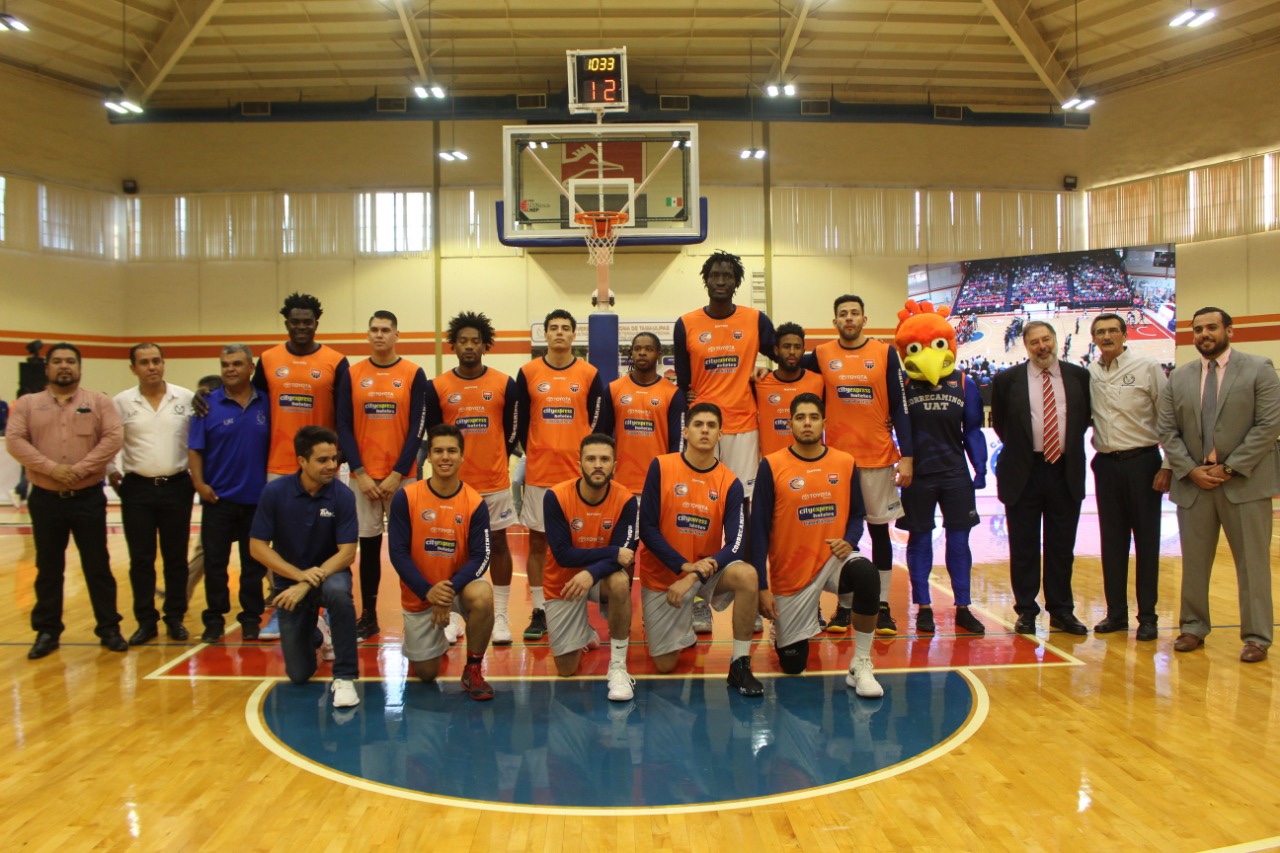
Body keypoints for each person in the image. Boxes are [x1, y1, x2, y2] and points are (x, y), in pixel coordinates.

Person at [1158, 307, 1279, 663]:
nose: (1204, 334)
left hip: (1245, 484)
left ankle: (1256, 636)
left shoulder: (1259, 368)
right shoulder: (1179, 376)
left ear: (1229, 330)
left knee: (1253, 564)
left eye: (1211, 327)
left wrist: (1229, 468)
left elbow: (1268, 426)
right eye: (1198, 329)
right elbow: (1168, 430)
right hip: (1194, 485)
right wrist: (1190, 470)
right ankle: (1193, 627)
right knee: (1194, 563)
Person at [750, 394, 884, 697]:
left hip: (833, 560)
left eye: (813, 417)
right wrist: (761, 587)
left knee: (867, 574)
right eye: (800, 417)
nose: (807, 423)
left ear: (824, 422)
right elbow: (758, 531)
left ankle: (861, 664)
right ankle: (783, 629)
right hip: (792, 573)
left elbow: (857, 515)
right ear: (790, 424)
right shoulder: (772, 465)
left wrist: (850, 540)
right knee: (793, 665)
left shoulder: (845, 462)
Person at [801, 295, 913, 636]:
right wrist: (758, 371)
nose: (848, 318)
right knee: (837, 537)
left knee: (879, 533)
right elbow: (788, 369)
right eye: (842, 314)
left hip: (877, 457)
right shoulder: (821, 355)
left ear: (864, 319)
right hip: (836, 462)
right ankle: (845, 607)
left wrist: (907, 455)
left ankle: (882, 606)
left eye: (854, 313)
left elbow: (900, 406)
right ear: (835, 321)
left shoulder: (885, 353)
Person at [7, 343, 127, 658]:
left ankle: (109, 629)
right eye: (58, 361)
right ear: (46, 368)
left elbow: (113, 438)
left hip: (87, 497)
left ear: (79, 367)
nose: (64, 366)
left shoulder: (98, 402)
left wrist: (79, 470)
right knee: (48, 568)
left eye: (70, 361)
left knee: (98, 566)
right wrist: (52, 469)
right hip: (45, 499)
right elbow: (15, 441)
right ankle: (47, 632)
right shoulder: (28, 404)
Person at [638, 402, 763, 696]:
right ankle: (677, 625)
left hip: (703, 573)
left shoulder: (730, 482)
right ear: (685, 432)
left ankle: (740, 664)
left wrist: (694, 575)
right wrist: (683, 566)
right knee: (665, 665)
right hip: (665, 575)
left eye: (711, 425)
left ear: (720, 434)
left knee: (747, 575)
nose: (704, 430)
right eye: (698, 424)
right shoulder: (661, 467)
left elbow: (735, 545)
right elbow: (647, 529)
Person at [249, 292, 350, 641]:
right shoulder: (268, 360)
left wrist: (339, 457)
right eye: (295, 321)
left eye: (308, 321)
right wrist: (207, 394)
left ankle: (328, 609)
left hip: (324, 465)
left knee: (329, 540)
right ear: (287, 323)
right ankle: (283, 607)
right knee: (279, 542)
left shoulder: (335, 361)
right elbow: (249, 401)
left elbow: (345, 413)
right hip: (280, 464)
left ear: (316, 323)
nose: (302, 327)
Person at [514, 308, 611, 641]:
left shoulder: (588, 373)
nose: (559, 332)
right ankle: (540, 609)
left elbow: (598, 420)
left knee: (578, 543)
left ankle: (576, 609)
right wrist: (532, 449)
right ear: (544, 334)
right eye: (553, 327)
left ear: (574, 334)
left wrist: (585, 456)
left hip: (576, 476)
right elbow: (521, 420)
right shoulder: (528, 372)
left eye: (565, 328)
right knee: (538, 544)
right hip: (540, 473)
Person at [891, 301, 988, 635]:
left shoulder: (964, 383)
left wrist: (980, 466)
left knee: (959, 542)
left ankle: (963, 606)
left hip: (954, 473)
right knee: (919, 540)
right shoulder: (904, 384)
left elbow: (972, 430)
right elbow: (893, 427)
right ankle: (924, 607)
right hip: (918, 475)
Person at [990, 320, 1092, 635]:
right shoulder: (1007, 380)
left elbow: (1082, 420)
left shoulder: (1079, 377)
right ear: (1026, 346)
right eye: (1034, 342)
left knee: (1062, 546)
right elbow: (1001, 425)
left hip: (1064, 470)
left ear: (1055, 339)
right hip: (1024, 470)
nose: (1042, 346)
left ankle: (1061, 611)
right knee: (1023, 546)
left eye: (1046, 339)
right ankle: (1026, 611)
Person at [249, 426, 360, 707]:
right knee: (299, 674)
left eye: (334, 458)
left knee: (338, 593)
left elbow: (347, 554)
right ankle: (317, 633)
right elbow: (257, 547)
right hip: (291, 581)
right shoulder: (275, 493)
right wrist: (299, 577)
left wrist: (306, 582)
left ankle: (345, 676)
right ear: (302, 461)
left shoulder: (343, 496)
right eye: (322, 460)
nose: (332, 465)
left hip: (330, 575)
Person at [425, 311, 519, 645]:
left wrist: (497, 457)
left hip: (493, 482)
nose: (469, 346)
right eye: (462, 341)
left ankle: (502, 615)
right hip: (453, 487)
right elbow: (434, 434)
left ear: (485, 345)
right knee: (451, 549)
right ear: (453, 345)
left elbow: (513, 430)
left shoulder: (504, 383)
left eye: (475, 341)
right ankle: (454, 615)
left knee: (499, 545)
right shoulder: (437, 386)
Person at [336, 310, 428, 643]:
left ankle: (416, 615)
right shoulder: (353, 373)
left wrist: (397, 473)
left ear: (396, 335)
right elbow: (343, 425)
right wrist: (360, 472)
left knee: (409, 549)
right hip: (362, 478)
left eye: (385, 330)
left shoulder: (413, 373)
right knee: (368, 548)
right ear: (367, 334)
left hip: (401, 478)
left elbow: (418, 427)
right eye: (374, 329)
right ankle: (369, 616)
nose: (379, 335)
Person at [388, 424, 495, 699]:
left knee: (483, 595)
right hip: (420, 592)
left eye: (451, 451)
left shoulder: (474, 502)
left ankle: (473, 668)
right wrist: (428, 591)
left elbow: (481, 557)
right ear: (429, 456)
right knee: (426, 674)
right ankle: (437, 634)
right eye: (438, 451)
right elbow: (397, 553)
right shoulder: (406, 497)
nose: (445, 457)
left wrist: (447, 593)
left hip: (456, 588)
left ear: (462, 456)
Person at [1087, 313, 1171, 641]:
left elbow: (1169, 417)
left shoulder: (1147, 367)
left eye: (1112, 331)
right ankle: (1116, 614)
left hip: (1143, 463)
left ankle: (1148, 617)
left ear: (1125, 334)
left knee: (1147, 542)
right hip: (1106, 465)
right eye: (1100, 332)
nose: (1106, 336)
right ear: (1094, 338)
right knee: (1112, 543)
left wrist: (1168, 465)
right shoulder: (1090, 372)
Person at [108, 343, 196, 645]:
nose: (152, 367)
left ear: (163, 363)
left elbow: (198, 441)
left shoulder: (185, 398)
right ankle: (146, 621)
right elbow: (108, 440)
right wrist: (111, 471)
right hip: (137, 488)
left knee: (176, 558)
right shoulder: (122, 402)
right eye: (144, 362)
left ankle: (175, 617)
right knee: (141, 559)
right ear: (133, 368)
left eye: (156, 361)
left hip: (177, 486)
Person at [543, 434, 638, 701]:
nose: (598, 465)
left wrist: (591, 573)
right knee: (566, 669)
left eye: (604, 459)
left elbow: (626, 557)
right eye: (591, 459)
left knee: (620, 581)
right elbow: (562, 555)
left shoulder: (626, 500)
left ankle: (618, 667)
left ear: (614, 465)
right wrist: (611, 552)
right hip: (563, 581)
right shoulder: (555, 496)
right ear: (579, 464)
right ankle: (584, 631)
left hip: (600, 578)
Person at [673, 250, 776, 497]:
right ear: (706, 280)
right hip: (702, 423)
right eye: (715, 275)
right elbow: (683, 381)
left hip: (743, 425)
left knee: (743, 495)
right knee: (701, 494)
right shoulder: (686, 323)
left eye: (727, 276)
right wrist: (686, 398)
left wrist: (768, 372)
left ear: (736, 282)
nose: (720, 281)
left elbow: (784, 356)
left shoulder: (755, 319)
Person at [189, 346, 271, 642]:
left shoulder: (267, 402)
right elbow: (194, 449)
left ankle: (250, 618)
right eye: (225, 365)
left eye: (237, 364)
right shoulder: (206, 405)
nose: (230, 369)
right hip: (218, 500)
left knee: (253, 566)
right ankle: (214, 619)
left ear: (251, 367)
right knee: (215, 564)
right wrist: (200, 484)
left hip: (257, 501)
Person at [610, 331, 685, 496]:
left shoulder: (673, 393)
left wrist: (673, 476)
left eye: (648, 349)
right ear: (631, 353)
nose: (642, 353)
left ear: (658, 354)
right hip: (620, 485)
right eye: (637, 349)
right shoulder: (613, 389)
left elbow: (678, 441)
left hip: (658, 485)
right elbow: (602, 437)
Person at [752, 322, 823, 458]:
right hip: (772, 464)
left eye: (797, 347)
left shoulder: (819, 382)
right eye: (786, 346)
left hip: (810, 463)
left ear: (803, 351)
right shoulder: (759, 383)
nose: (792, 352)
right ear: (776, 350)